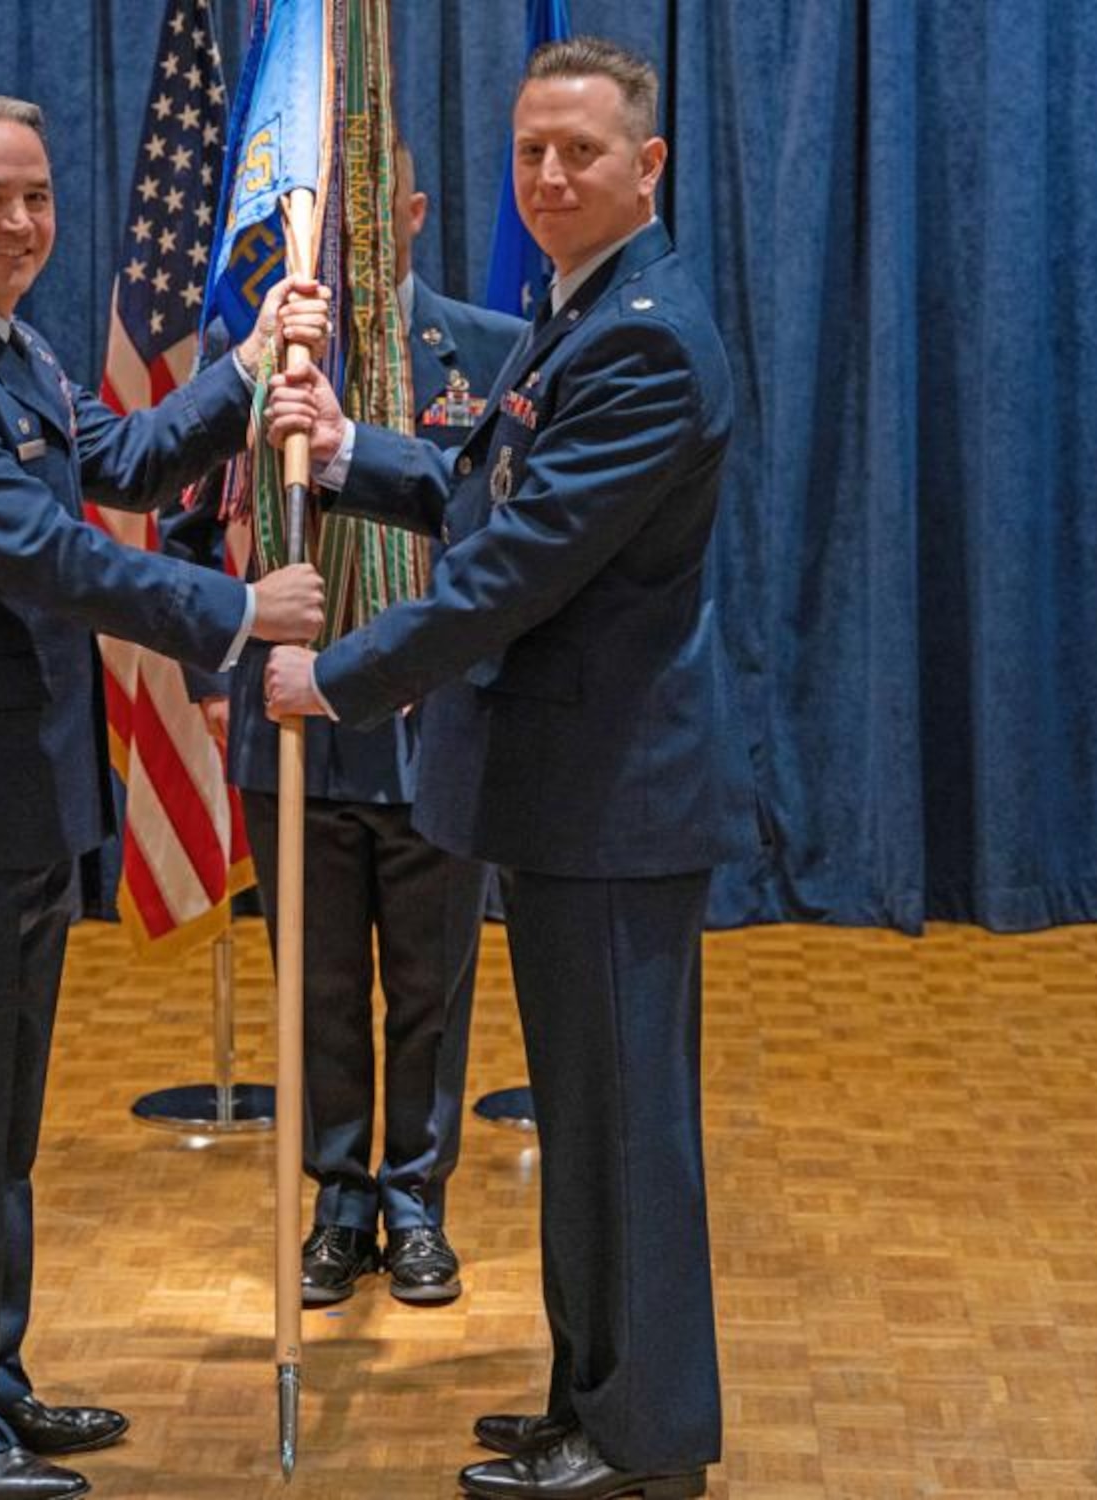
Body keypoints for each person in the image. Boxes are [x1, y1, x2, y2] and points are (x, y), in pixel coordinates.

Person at [0, 94, 326, 1500]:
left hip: (10, 801)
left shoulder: (6, 341)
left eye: (35, 195)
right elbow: (53, 556)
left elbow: (128, 460)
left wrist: (252, 353)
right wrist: (241, 609)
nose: (20, 222)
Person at [264, 37, 757, 1500]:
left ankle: (646, 1437)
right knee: (595, 1127)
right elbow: (492, 482)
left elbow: (518, 568)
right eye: (532, 150)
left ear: (648, 167)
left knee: (625, 1137)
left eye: (582, 153)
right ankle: (591, 1395)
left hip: (611, 798)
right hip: (569, 795)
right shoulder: (582, 310)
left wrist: (337, 678)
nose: (549, 176)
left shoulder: (646, 332)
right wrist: (353, 450)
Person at [168, 137, 525, 1308]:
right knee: (316, 984)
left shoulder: (487, 352)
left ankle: (416, 1197)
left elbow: (510, 536)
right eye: (332, 215)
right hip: (295, 729)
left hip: (434, 729)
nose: (354, 233)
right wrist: (213, 668)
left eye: (374, 207)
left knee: (430, 983)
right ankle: (338, 1198)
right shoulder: (258, 357)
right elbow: (182, 524)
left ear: (414, 211)